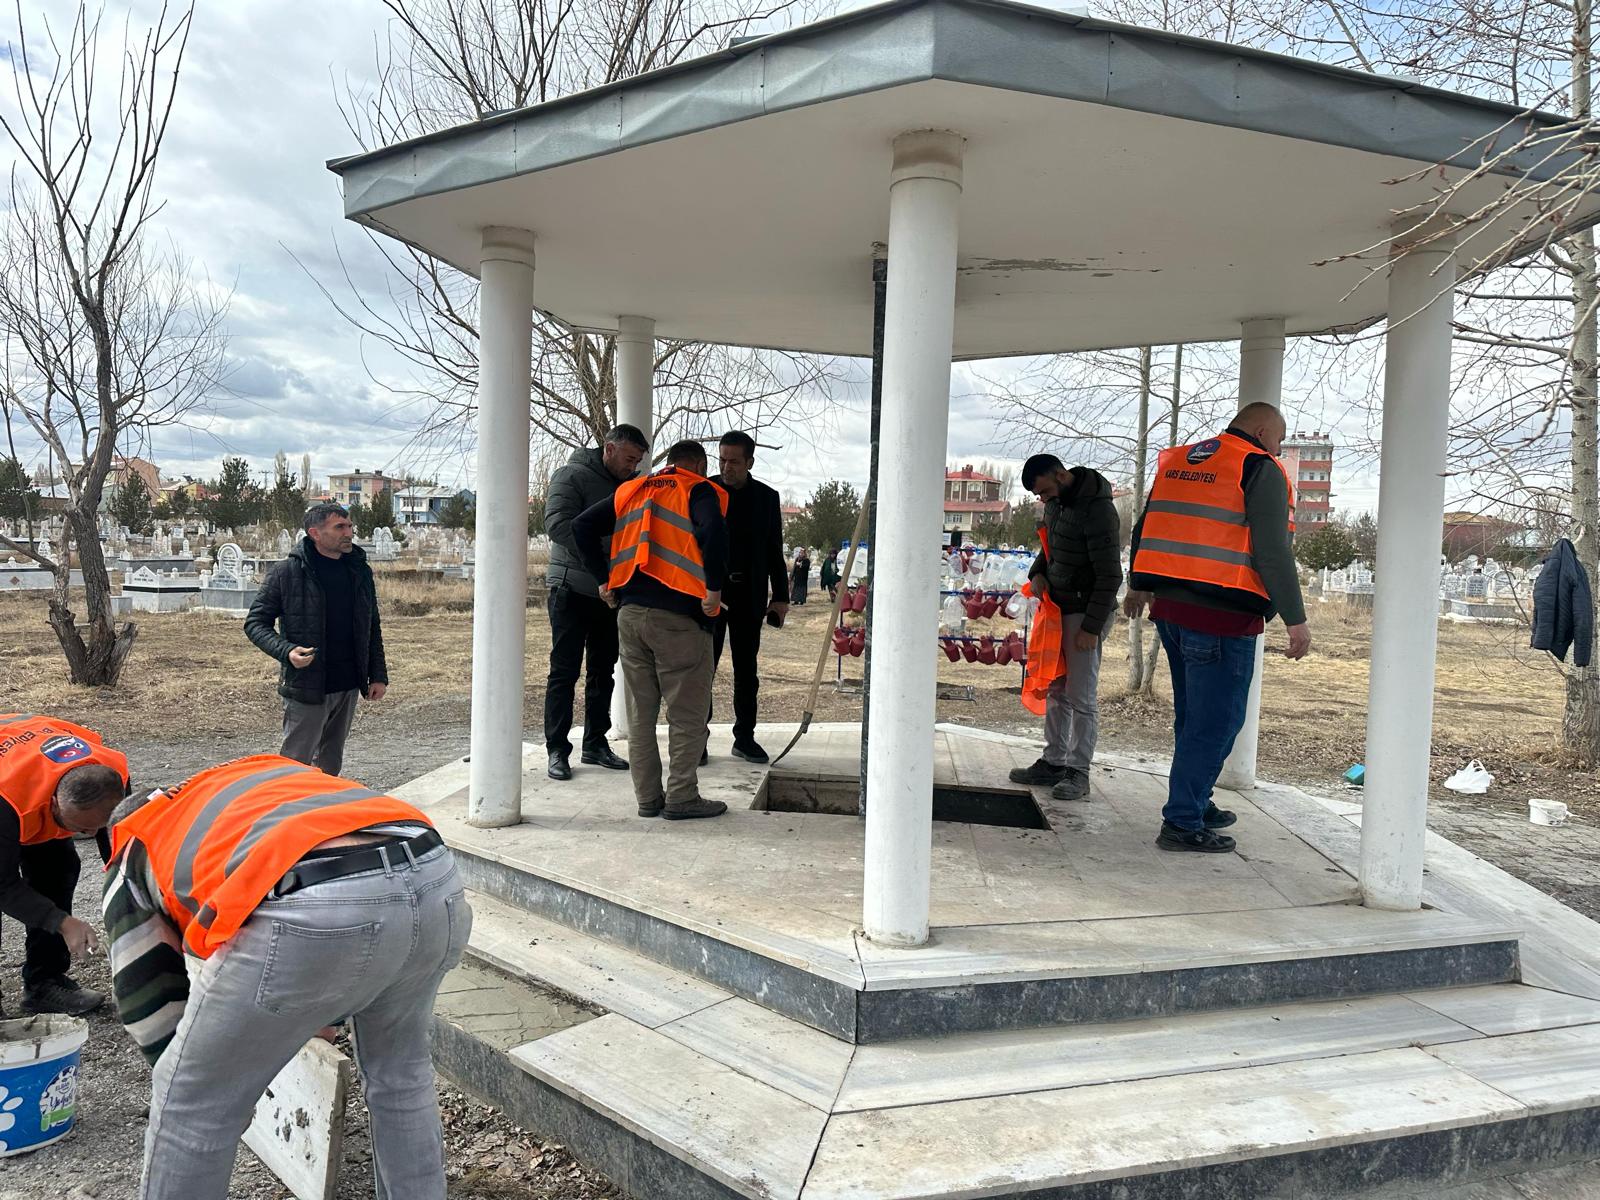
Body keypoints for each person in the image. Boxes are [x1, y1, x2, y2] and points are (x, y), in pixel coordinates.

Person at [103, 753, 469, 1200]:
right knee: (402, 1073)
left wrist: (199, 1074)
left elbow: (148, 1003)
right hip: (433, 874)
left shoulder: (136, 844)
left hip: (313, 901)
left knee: (191, 1107)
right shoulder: (239, 779)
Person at [1123, 402, 1311, 854]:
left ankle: (1196, 800)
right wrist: (1296, 618)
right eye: (1281, 439)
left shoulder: (1180, 460)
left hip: (1172, 612)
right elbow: (1272, 550)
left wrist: (1140, 584)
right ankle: (1183, 822)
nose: (1280, 448)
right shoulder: (1258, 467)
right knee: (1217, 722)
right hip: (1223, 615)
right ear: (1264, 431)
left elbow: (1145, 527)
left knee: (1193, 719)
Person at [573, 440, 729, 820]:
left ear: (668, 462)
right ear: (698, 464)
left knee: (640, 717)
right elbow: (713, 535)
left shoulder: (634, 489)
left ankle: (648, 799)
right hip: (679, 620)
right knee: (686, 715)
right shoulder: (697, 488)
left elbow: (581, 526)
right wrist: (714, 591)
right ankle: (682, 797)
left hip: (630, 615)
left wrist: (603, 580)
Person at [1008, 456, 1122, 801]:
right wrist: (1037, 573)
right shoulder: (1056, 505)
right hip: (1057, 611)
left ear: (1061, 475)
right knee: (1056, 688)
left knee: (1081, 695)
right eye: (1038, 496)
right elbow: (1051, 549)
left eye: (1044, 491)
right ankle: (1054, 761)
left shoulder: (1099, 511)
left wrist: (1091, 628)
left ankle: (1078, 771)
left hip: (1085, 613)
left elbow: (1110, 576)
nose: (1042, 500)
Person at [246, 502, 388, 777]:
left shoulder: (359, 572)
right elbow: (255, 623)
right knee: (296, 765)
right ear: (315, 533)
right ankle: (289, 815)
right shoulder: (286, 572)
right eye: (340, 527)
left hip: (348, 685)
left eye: (349, 526)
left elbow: (372, 625)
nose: (349, 533)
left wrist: (378, 675)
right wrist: (286, 651)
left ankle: (322, 815)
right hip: (308, 685)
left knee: (330, 764)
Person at [0, 713, 127, 1015]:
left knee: (60, 867)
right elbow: (2, 885)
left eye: (94, 828)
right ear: (53, 802)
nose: (89, 835)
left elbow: (124, 843)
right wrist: (63, 922)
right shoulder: (7, 802)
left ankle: (45, 983)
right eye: (79, 827)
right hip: (10, 790)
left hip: (28, 761)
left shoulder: (115, 774)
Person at [542, 424, 650, 781]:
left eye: (638, 461)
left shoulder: (630, 487)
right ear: (609, 448)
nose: (632, 467)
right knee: (564, 672)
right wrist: (606, 558)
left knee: (603, 672)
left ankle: (595, 742)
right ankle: (557, 749)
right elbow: (559, 525)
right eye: (629, 459)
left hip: (612, 595)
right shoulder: (570, 475)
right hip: (570, 589)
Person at [708, 431, 788, 764]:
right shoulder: (705, 491)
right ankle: (696, 738)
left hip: (749, 596)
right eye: (722, 459)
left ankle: (745, 737)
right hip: (709, 595)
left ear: (749, 462)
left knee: (746, 671)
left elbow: (774, 550)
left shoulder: (766, 498)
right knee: (702, 670)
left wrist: (781, 597)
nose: (727, 467)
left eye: (734, 461)